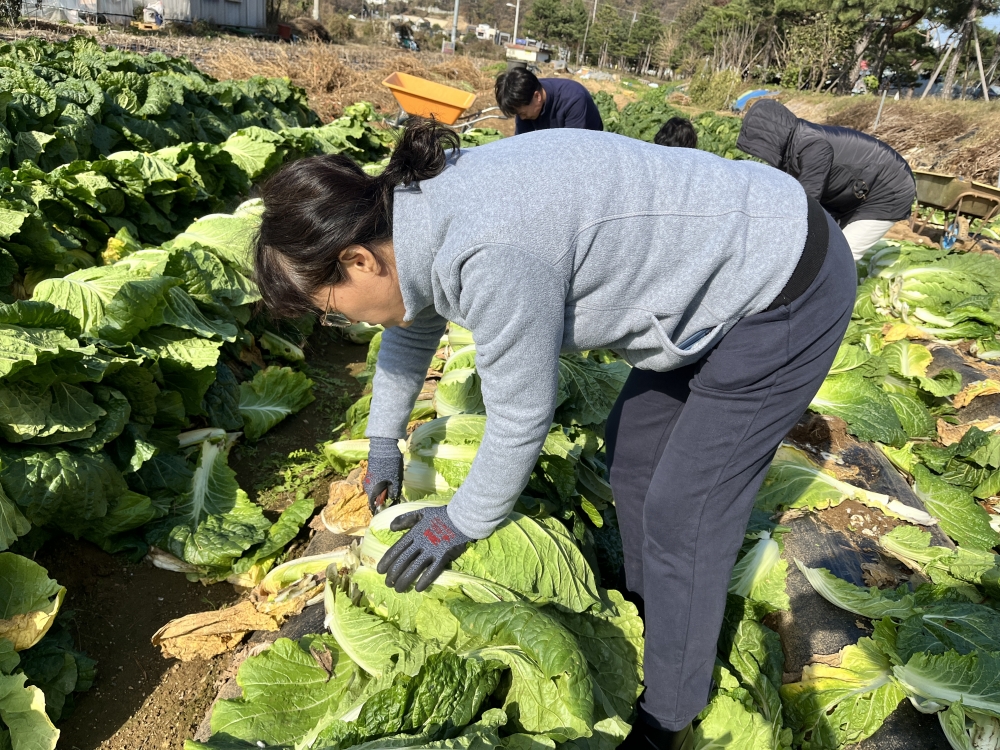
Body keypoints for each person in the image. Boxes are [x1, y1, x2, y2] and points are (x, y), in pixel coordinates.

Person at [252, 121, 856, 750]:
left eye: (329, 305)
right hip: (715, 282)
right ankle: (660, 616)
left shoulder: (491, 251)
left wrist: (461, 521)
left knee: (687, 510)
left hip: (784, 285)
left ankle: (669, 716)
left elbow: (520, 417)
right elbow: (412, 320)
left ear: (358, 260)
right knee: (632, 454)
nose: (336, 318)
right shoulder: (407, 217)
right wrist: (383, 439)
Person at [736, 99, 915, 262]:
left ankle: (834, 296)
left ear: (769, 139)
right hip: (858, 190)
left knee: (843, 255)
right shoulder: (794, 147)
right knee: (827, 246)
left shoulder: (812, 147)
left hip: (889, 191)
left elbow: (806, 205)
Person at [494, 66, 603, 135]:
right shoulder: (524, 98)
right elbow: (522, 144)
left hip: (588, 141)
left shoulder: (573, 99)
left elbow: (572, 147)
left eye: (523, 113)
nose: (522, 118)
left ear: (537, 97)